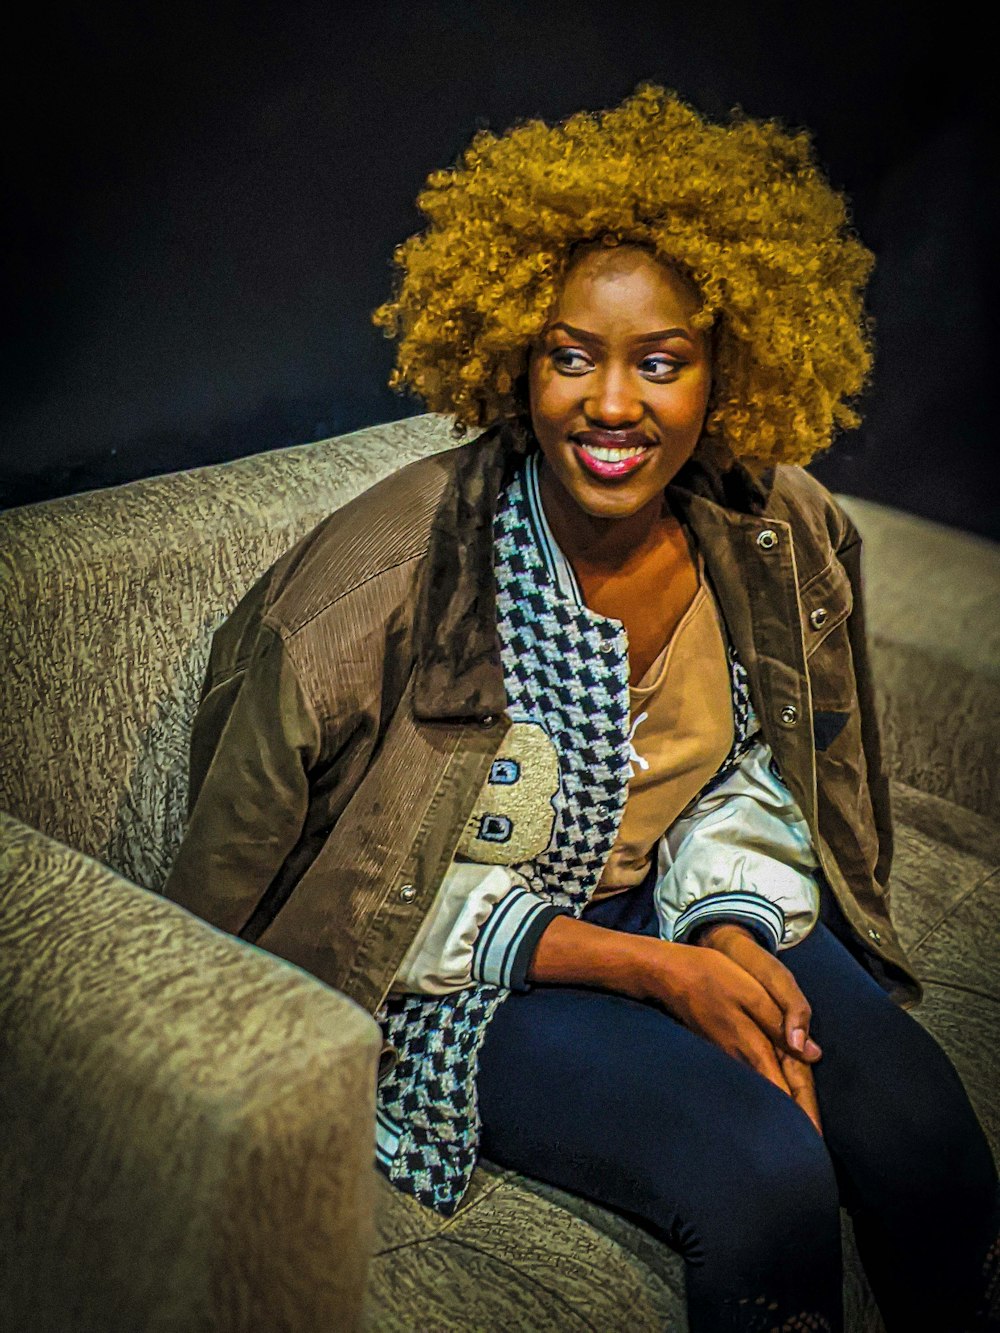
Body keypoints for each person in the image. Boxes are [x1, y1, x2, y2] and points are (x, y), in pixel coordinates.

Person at [162, 85, 999, 1331]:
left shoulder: (772, 526)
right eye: (571, 355)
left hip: (678, 891)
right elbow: (300, 894)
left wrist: (724, 932)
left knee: (931, 1141)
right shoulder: (390, 583)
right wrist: (652, 972)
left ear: (727, 366)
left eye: (660, 360)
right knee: (765, 1176)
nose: (613, 404)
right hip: (459, 968)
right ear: (515, 357)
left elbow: (756, 769)